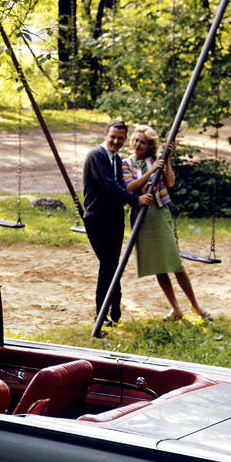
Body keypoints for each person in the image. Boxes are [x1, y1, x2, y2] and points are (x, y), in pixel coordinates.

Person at [122, 124, 212, 322]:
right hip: (141, 216)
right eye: (136, 140)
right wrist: (149, 174)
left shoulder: (156, 160)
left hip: (159, 213)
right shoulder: (126, 163)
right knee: (158, 266)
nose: (138, 145)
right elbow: (130, 187)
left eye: (143, 142)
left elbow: (170, 183)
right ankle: (175, 308)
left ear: (149, 146)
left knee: (174, 262)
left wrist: (166, 160)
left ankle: (195, 306)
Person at [82, 120, 153, 327]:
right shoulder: (97, 155)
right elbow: (109, 186)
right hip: (97, 217)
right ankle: (103, 311)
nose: (116, 141)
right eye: (112, 137)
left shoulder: (117, 159)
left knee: (113, 264)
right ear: (106, 134)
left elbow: (122, 186)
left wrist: (140, 189)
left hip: (114, 217)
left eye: (120, 138)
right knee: (107, 265)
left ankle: (113, 305)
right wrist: (135, 200)